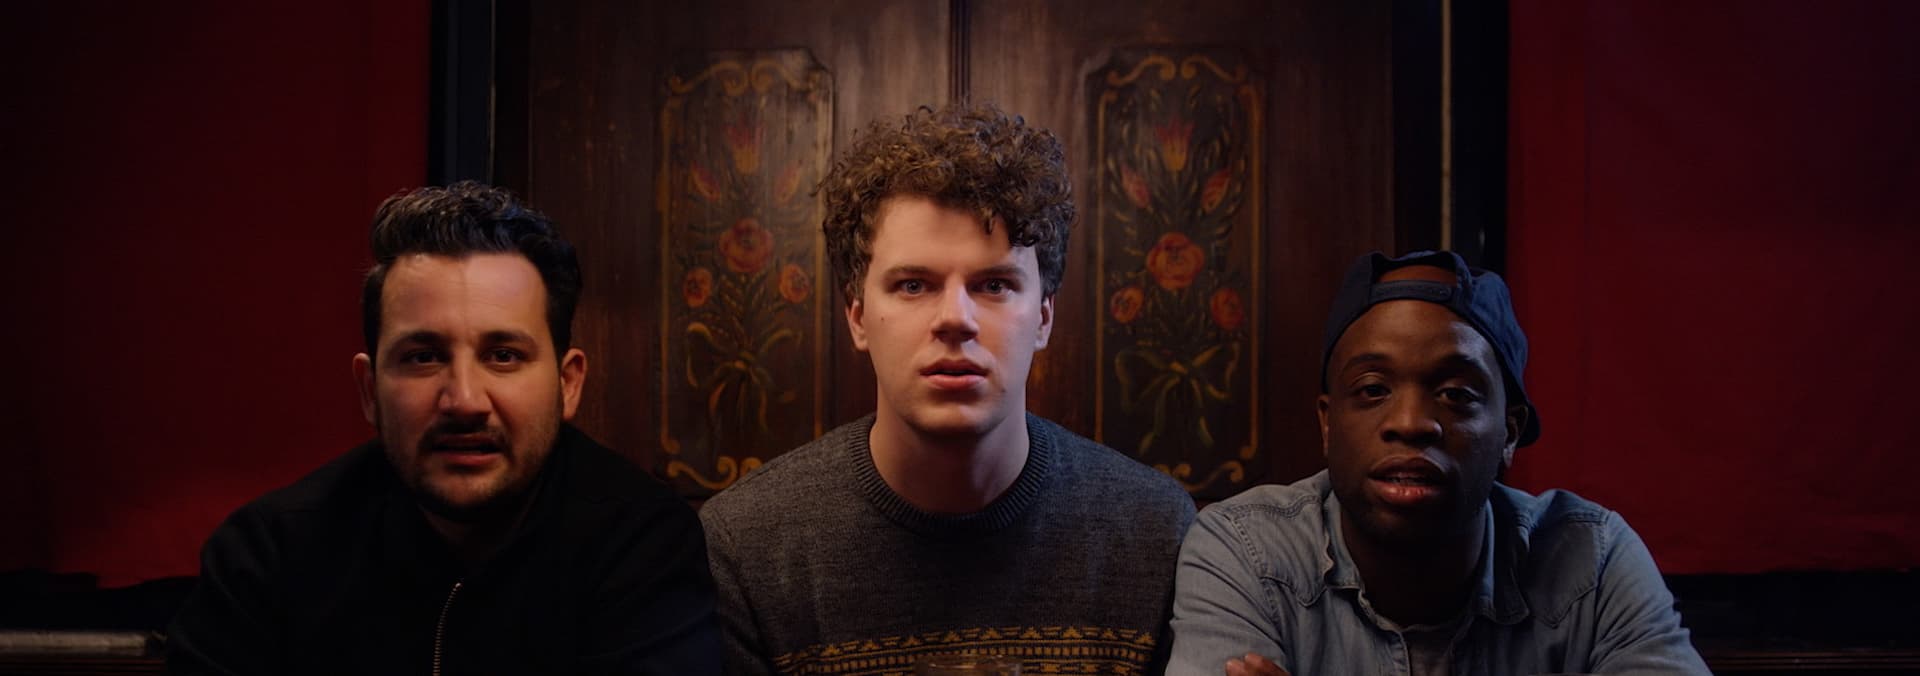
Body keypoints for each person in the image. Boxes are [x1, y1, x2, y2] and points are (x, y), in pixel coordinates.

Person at [699, 103, 1197, 675]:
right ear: (857, 318)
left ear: (1043, 318)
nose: (955, 319)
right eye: (913, 285)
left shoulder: (1155, 532)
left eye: (994, 285)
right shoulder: (747, 548)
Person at [167, 182, 720, 675]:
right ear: (369, 390)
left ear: (568, 383)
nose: (464, 401)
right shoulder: (265, 556)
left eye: (503, 355)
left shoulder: (642, 546)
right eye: (423, 357)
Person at [1167, 250, 1710, 675]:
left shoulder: (1594, 560)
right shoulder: (1246, 551)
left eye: (1455, 394)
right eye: (1373, 388)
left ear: (1509, 432)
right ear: (1328, 423)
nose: (1411, 423)